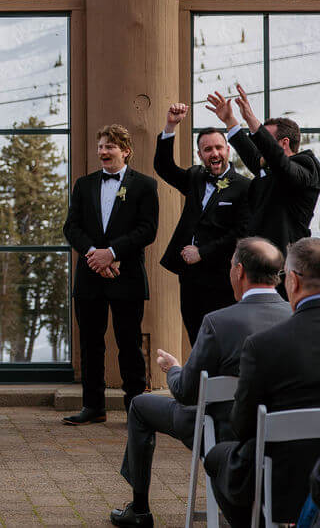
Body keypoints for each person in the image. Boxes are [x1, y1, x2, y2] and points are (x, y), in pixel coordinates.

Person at [109, 237, 291, 527]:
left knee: (140, 405)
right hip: (280, 432)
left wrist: (173, 369)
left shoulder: (218, 322)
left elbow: (185, 392)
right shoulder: (295, 316)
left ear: (239, 271)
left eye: (231, 265)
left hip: (217, 430)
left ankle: (139, 510)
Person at [205, 237, 320, 527]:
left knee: (218, 456)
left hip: (282, 482)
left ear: (292, 281)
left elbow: (242, 426)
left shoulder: (263, 345)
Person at [62, 124, 159, 425]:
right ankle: (93, 407)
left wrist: (112, 253)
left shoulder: (145, 185)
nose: (103, 152)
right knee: (91, 344)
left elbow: (147, 230)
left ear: (126, 151)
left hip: (125, 276)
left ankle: (136, 408)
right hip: (90, 276)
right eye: (101, 146)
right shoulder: (84, 184)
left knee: (128, 343)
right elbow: (71, 227)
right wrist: (95, 255)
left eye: (109, 147)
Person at [154, 102, 250, 344]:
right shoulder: (195, 177)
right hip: (189, 276)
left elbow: (241, 232)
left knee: (221, 339)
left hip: (222, 276)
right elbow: (163, 167)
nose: (214, 153)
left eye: (218, 147)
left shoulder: (244, 187)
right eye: (207, 150)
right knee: (195, 335)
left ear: (228, 150)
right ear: (200, 155)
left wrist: (203, 252)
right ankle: (199, 382)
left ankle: (221, 383)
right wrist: (170, 126)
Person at [206, 84, 320, 257]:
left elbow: (282, 165)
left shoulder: (306, 165)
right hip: (259, 259)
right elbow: (253, 156)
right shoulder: (269, 168)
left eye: (265, 141)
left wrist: (252, 120)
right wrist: (230, 120)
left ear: (284, 143)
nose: (260, 147)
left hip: (285, 263)